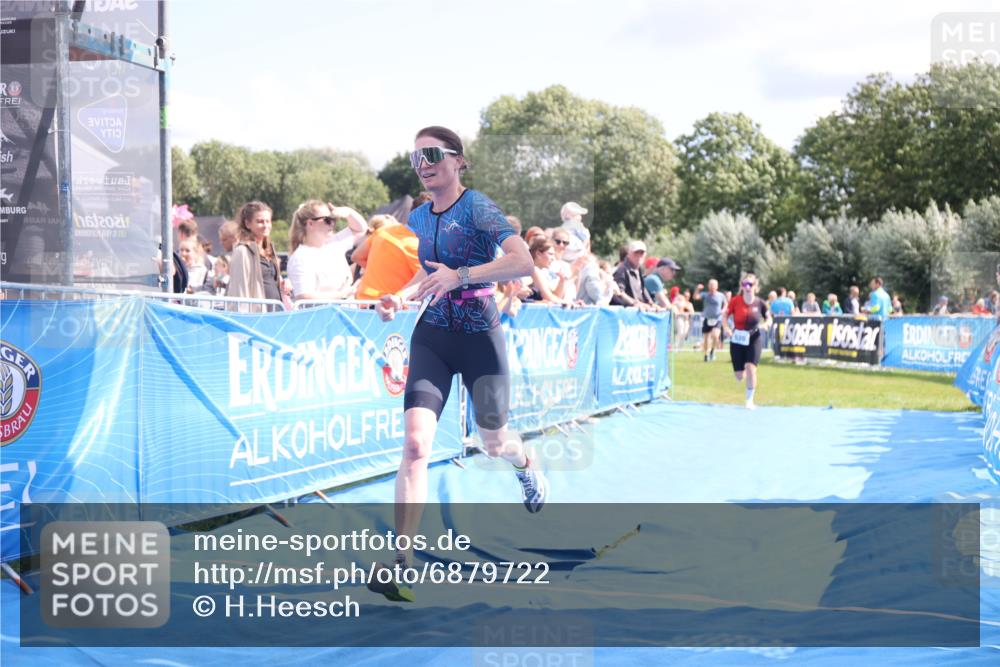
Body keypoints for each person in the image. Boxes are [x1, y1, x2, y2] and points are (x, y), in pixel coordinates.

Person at [373, 126, 545, 600]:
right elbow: (426, 270)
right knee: (415, 444)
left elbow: (523, 263)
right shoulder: (419, 216)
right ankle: (402, 563)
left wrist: (462, 275)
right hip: (433, 333)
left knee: (494, 442)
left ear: (457, 160)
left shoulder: (479, 208)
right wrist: (400, 296)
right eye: (415, 157)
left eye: (431, 154)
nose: (423, 164)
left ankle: (524, 461)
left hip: (479, 334)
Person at [286, 200, 368, 301]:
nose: (332, 224)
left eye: (333, 219)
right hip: (323, 311)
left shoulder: (334, 243)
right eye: (327, 220)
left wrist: (348, 212)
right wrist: (342, 295)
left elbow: (361, 229)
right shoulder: (300, 258)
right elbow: (304, 296)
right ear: (310, 223)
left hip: (345, 309)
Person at [724, 273, 769, 410]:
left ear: (756, 286)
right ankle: (742, 371)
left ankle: (749, 401)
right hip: (737, 339)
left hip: (754, 338)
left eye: (750, 284)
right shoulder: (735, 301)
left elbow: (769, 318)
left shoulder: (760, 303)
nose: (747, 287)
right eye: (744, 284)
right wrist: (726, 328)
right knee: (739, 376)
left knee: (751, 368)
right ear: (741, 286)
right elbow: (725, 315)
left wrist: (766, 324)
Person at [228, 201, 284, 309]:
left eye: (268, 221)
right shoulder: (242, 251)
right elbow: (240, 291)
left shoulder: (269, 250)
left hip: (276, 313)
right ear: (247, 224)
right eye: (260, 221)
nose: (266, 225)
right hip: (257, 315)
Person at [352, 214, 420, 300]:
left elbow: (357, 257)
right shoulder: (415, 245)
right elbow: (423, 279)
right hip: (389, 303)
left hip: (364, 299)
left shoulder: (383, 231)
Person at [526, 237, 573, 305]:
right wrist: (570, 303)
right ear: (538, 254)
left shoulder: (540, 272)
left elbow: (555, 297)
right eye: (550, 254)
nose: (553, 258)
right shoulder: (533, 270)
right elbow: (549, 298)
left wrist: (561, 281)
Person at [611, 240, 654, 309]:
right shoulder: (622, 271)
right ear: (629, 254)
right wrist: (635, 303)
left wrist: (651, 304)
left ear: (645, 255)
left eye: (641, 253)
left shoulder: (638, 270)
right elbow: (619, 293)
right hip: (626, 312)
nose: (639, 256)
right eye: (636, 253)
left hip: (637, 311)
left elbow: (642, 289)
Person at [694, 279, 727, 361]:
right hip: (707, 318)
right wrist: (697, 289)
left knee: (715, 336)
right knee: (706, 338)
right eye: (711, 285)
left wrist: (723, 310)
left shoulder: (721, 295)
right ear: (708, 286)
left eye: (714, 285)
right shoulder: (705, 294)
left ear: (717, 286)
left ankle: (712, 351)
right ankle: (706, 355)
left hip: (717, 319)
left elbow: (726, 303)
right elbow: (695, 297)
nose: (712, 286)